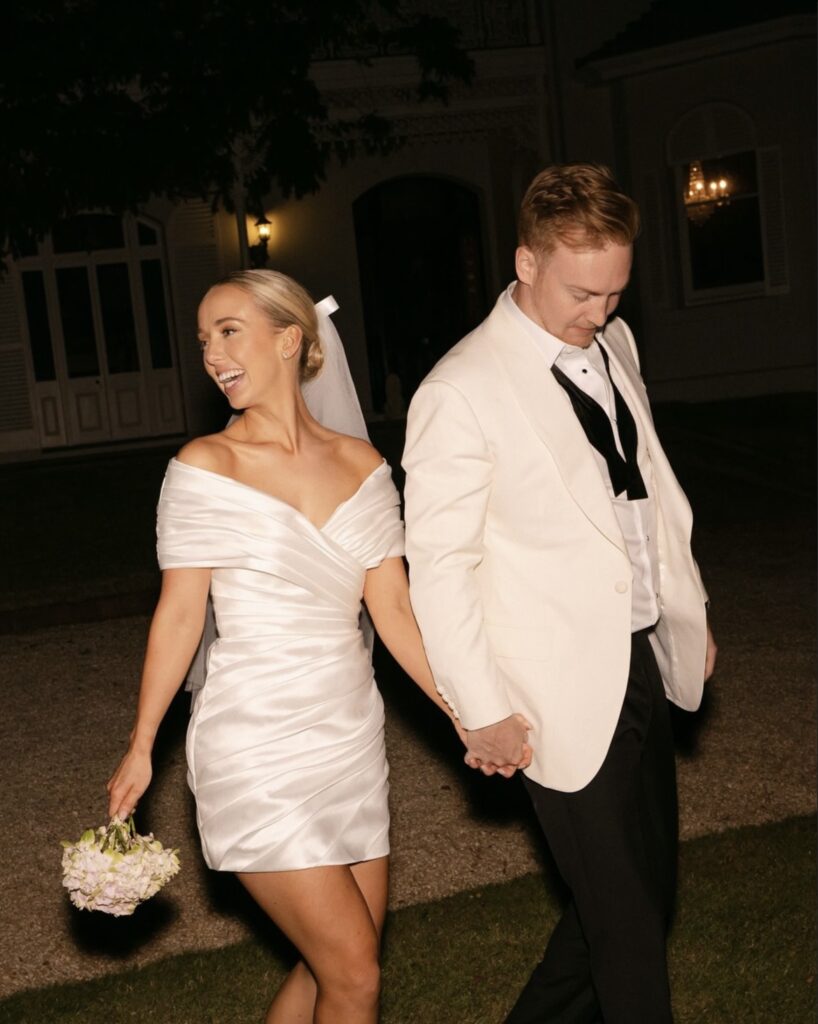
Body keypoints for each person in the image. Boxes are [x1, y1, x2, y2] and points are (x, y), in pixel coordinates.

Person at [107, 269, 472, 1024]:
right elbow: (179, 616)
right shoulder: (206, 468)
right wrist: (143, 744)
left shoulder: (365, 468)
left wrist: (467, 711)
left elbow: (395, 611)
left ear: (289, 338)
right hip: (253, 743)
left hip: (348, 736)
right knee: (356, 975)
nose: (211, 353)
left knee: (334, 965)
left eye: (228, 331)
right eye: (203, 339)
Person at [402, 163, 717, 1023]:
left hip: (639, 659)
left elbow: (643, 493)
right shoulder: (458, 391)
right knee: (626, 930)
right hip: (550, 691)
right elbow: (439, 567)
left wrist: (683, 611)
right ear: (527, 263)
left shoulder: (614, 346)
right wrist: (480, 706)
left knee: (637, 900)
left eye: (616, 293)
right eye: (584, 293)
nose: (601, 313)